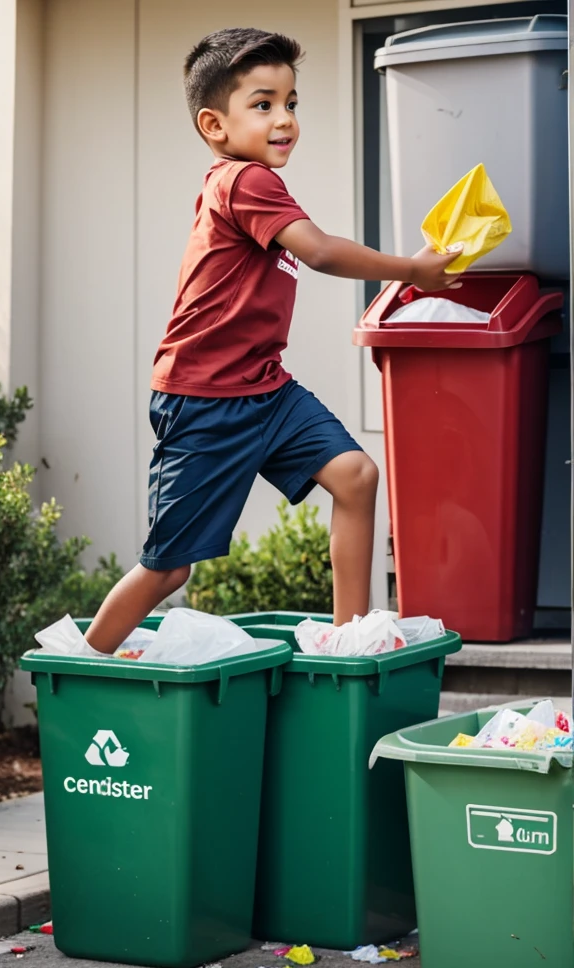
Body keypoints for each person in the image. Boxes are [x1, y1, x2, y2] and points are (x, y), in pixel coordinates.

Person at [85, 27, 461, 654]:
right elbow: (318, 252)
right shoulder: (243, 181)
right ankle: (82, 668)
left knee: (356, 476)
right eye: (263, 104)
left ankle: (348, 638)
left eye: (291, 102)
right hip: (204, 400)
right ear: (215, 124)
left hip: (264, 388)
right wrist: (413, 270)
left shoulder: (253, 184)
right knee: (169, 567)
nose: (284, 118)